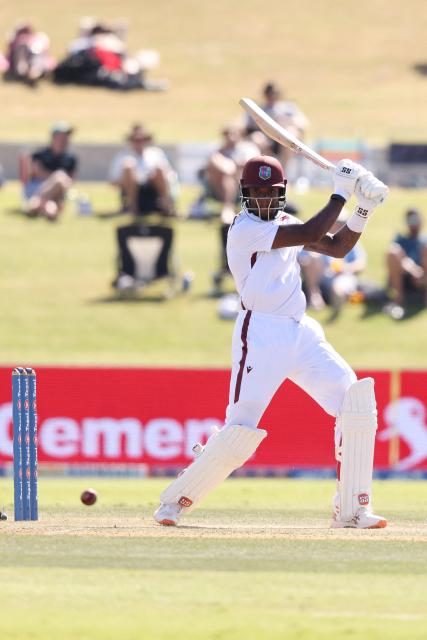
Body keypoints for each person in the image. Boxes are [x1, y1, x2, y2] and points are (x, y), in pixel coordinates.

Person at [154, 156, 389, 530]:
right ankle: (174, 502)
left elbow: (338, 247)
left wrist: (364, 206)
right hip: (260, 333)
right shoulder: (243, 229)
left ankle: (352, 509)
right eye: (257, 192)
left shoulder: (286, 224)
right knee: (240, 431)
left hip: (301, 330)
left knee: (355, 403)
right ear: (246, 195)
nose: (264, 199)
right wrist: (342, 191)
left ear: (281, 194)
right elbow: (313, 231)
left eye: (270, 192)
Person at [299, 210, 367, 317]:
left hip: (342, 276)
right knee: (313, 257)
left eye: (342, 223)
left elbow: (360, 263)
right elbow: (302, 259)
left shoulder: (350, 240)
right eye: (336, 222)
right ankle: (314, 295)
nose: (338, 225)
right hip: (320, 277)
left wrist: (345, 268)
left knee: (338, 288)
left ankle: (336, 310)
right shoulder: (316, 237)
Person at [108, 123, 177, 216]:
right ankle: (133, 208)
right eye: (136, 140)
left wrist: (153, 177)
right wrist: (131, 179)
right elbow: (113, 181)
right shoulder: (122, 156)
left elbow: (170, 176)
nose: (139, 143)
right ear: (131, 140)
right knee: (128, 166)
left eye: (142, 139)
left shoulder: (156, 153)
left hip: (153, 191)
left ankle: (167, 207)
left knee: (159, 168)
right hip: (131, 191)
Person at [21, 122, 77, 220]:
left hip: (57, 192)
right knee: (59, 178)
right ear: (54, 137)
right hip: (37, 188)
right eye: (62, 136)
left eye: (67, 137)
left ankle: (35, 205)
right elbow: (34, 173)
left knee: (59, 178)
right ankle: (44, 208)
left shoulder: (70, 158)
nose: (65, 139)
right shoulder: (40, 154)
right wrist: (54, 179)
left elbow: (70, 181)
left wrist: (50, 177)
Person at [384, 209, 427, 319]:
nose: (414, 224)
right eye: (411, 221)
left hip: (422, 277)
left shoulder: (424, 240)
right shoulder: (401, 239)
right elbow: (396, 255)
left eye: (416, 220)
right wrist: (413, 269)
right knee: (393, 252)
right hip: (404, 276)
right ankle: (399, 299)